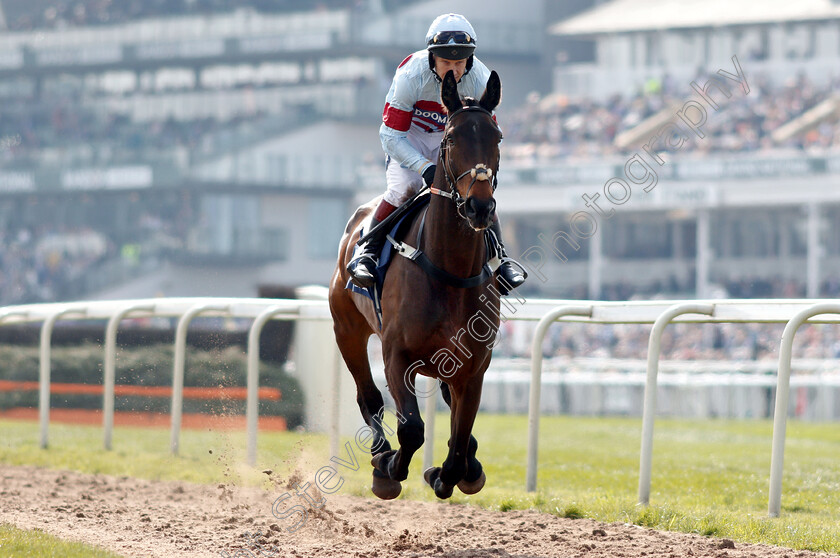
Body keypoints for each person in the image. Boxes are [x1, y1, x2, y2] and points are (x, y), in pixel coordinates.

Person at [347, 13, 526, 293]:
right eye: (446, 62)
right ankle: (366, 252)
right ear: (432, 57)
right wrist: (423, 167)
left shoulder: (480, 78)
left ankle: (501, 259)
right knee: (405, 187)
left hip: (451, 140)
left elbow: (486, 132)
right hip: (410, 138)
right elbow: (390, 135)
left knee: (479, 190)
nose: (454, 70)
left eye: (460, 62)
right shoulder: (410, 75)